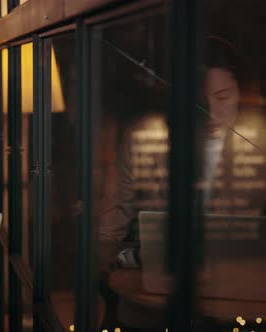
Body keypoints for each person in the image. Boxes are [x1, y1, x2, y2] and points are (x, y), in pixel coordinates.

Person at [98, 35, 266, 269]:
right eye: (197, 100)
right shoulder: (142, 139)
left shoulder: (259, 144)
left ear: (241, 93)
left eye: (223, 97)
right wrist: (134, 258)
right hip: (159, 290)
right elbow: (107, 237)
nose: (210, 112)